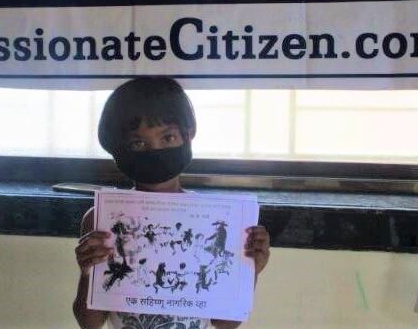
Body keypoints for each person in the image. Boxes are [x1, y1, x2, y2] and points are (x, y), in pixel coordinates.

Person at [73, 77, 271, 329]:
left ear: (188, 135)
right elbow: (89, 323)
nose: (154, 150)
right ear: (118, 149)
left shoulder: (215, 221)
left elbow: (225, 322)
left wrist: (250, 269)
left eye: (168, 138)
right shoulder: (101, 218)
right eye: (139, 143)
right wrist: (87, 271)